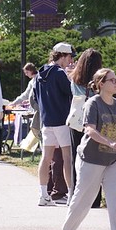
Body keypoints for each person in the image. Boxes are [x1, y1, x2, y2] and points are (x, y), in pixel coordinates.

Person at [59, 68, 116, 230]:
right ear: (101, 84)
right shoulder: (93, 104)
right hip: (91, 159)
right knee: (83, 199)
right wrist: (109, 141)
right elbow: (89, 130)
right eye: (112, 80)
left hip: (113, 160)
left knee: (115, 199)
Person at [34, 42, 74, 206]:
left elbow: (36, 98)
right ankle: (72, 194)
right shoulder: (59, 73)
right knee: (67, 158)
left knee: (46, 158)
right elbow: (71, 93)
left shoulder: (40, 73)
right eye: (70, 57)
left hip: (46, 120)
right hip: (62, 120)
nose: (70, 61)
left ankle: (43, 194)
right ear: (63, 56)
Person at [67, 49, 102, 195]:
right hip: (94, 122)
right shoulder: (98, 81)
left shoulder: (75, 79)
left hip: (77, 121)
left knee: (77, 156)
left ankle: (77, 192)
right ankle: (95, 195)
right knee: (96, 158)